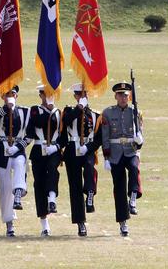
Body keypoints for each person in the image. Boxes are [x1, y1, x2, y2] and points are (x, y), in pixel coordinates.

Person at [101, 82, 144, 237]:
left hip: (131, 150)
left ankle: (133, 198)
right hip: (115, 153)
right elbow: (105, 136)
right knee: (118, 188)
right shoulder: (107, 113)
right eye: (120, 95)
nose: (123, 98)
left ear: (129, 96)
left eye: (126, 95)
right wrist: (106, 157)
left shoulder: (135, 112)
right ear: (115, 96)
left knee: (134, 168)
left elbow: (140, 133)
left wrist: (140, 141)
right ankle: (123, 222)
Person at [60, 83, 102, 237]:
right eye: (78, 95)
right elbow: (67, 122)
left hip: (87, 150)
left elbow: (99, 139)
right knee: (75, 187)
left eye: (83, 95)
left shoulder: (96, 115)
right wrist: (79, 108)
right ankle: (80, 222)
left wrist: (89, 148)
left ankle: (90, 193)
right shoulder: (69, 111)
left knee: (90, 169)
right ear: (75, 96)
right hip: (72, 149)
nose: (81, 97)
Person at [0, 85, 31, 237]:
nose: (9, 96)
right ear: (2, 97)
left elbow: (30, 134)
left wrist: (19, 146)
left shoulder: (26, 112)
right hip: (1, 150)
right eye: (6, 94)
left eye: (12, 94)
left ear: (17, 95)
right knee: (5, 188)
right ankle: (9, 223)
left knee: (20, 164)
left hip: (17, 149)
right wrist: (7, 108)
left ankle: (19, 191)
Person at [26, 85, 62, 236]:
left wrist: (56, 147)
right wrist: (48, 109)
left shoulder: (59, 112)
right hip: (39, 150)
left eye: (51, 93)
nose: (48, 96)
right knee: (39, 183)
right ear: (40, 95)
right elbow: (36, 125)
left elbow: (63, 135)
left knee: (53, 171)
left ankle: (52, 199)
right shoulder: (34, 110)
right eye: (45, 94)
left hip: (53, 149)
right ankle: (44, 224)